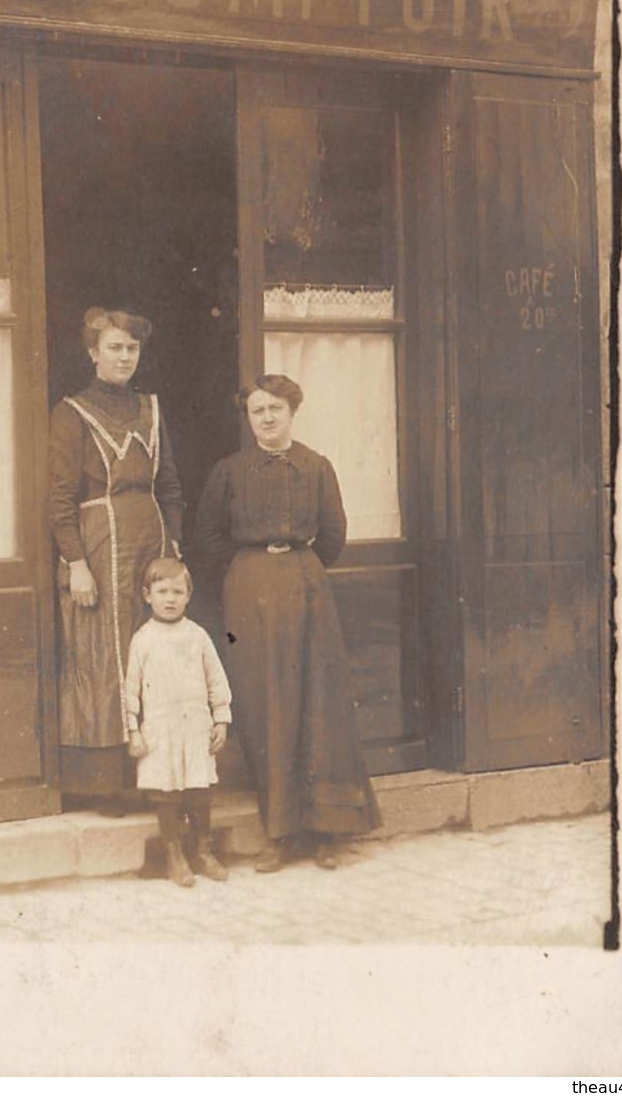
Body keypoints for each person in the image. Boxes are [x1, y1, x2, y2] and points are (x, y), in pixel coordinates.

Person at [194, 373, 381, 872]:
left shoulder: (316, 467)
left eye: (276, 408)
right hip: (249, 593)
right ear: (248, 418)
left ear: (292, 412)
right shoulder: (230, 471)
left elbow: (334, 534)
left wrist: (298, 566)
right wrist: (245, 570)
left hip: (306, 588)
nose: (268, 417)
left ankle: (326, 831)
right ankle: (281, 831)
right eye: (258, 410)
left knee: (318, 701)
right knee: (264, 704)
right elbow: (208, 537)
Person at [50, 307, 183, 805]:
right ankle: (106, 786)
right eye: (114, 347)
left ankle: (158, 775)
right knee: (104, 655)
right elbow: (60, 498)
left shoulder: (150, 407)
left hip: (151, 544)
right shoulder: (71, 412)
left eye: (131, 348)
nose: (124, 356)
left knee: (153, 653)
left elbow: (169, 484)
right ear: (93, 354)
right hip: (98, 546)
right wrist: (76, 562)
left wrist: (175, 547)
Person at [125, 557, 233, 887]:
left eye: (177, 591)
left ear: (189, 595)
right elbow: (129, 689)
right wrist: (132, 729)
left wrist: (221, 719)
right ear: (147, 595)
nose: (169, 599)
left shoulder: (198, 636)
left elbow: (217, 679)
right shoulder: (143, 639)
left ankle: (202, 850)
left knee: (200, 792)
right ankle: (175, 855)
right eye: (162, 592)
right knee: (168, 794)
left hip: (195, 728)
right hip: (161, 730)